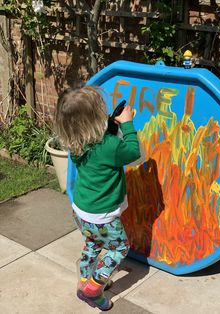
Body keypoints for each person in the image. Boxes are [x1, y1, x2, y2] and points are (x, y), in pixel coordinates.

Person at [55, 85, 141, 311]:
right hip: (103, 216)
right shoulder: (110, 146)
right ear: (95, 118)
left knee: (92, 244)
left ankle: (84, 281)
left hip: (82, 210)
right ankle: (93, 288)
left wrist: (112, 126)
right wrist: (128, 124)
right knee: (120, 248)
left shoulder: (75, 143)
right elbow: (133, 152)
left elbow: (99, 149)